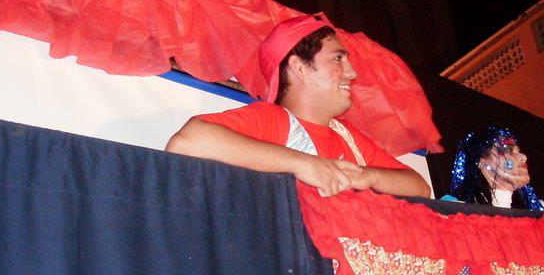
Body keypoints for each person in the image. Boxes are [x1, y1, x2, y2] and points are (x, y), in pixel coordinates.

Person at [166, 15, 430, 198]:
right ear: (299, 67)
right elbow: (188, 142)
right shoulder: (275, 119)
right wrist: (304, 164)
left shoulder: (347, 135)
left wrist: (366, 176)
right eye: (338, 59)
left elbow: (420, 187)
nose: (352, 73)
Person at [447, 126, 544, 254]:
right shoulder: (457, 211)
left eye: (518, 150)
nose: (523, 157)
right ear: (482, 164)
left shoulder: (535, 208)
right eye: (508, 150)